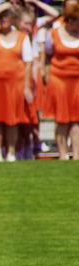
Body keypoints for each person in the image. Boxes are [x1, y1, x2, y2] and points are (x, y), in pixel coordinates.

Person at [0, 4, 35, 161]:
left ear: (13, 19)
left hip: (14, 84)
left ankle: (10, 151)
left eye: (7, 16)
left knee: (12, 120)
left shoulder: (22, 37)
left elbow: (28, 62)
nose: (3, 20)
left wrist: (26, 87)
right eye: (0, 17)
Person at [42, 3, 79, 160]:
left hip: (77, 80)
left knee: (76, 120)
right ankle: (62, 154)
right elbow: (48, 53)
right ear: (70, 21)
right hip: (59, 78)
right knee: (61, 119)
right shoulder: (54, 33)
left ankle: (77, 155)